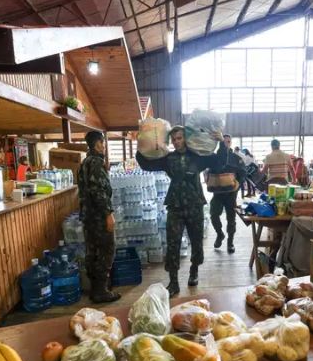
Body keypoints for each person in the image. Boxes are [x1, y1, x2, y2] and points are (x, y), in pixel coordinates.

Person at [136, 126, 227, 297]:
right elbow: (147, 164)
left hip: (195, 205)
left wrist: (222, 142)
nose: (177, 142)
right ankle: (173, 282)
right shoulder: (168, 159)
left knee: (197, 242)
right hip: (175, 207)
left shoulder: (197, 157)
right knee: (172, 245)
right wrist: (140, 145)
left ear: (186, 138)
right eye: (174, 139)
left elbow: (219, 161)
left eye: (180, 138)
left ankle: (194, 270)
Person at [77, 131, 120, 303]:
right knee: (106, 249)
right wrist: (108, 214)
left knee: (92, 251)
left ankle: (95, 288)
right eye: (103, 143)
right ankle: (101, 290)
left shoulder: (84, 163)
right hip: (98, 216)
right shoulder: (96, 163)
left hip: (88, 215)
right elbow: (99, 192)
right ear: (98, 144)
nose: (104, 146)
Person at [208, 134, 246, 254]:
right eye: (224, 141)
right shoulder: (214, 158)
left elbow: (243, 173)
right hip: (217, 193)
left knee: (231, 218)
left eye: (229, 141)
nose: (227, 143)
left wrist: (238, 184)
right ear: (220, 143)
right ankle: (220, 234)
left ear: (231, 143)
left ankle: (230, 242)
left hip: (231, 193)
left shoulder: (236, 158)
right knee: (214, 215)